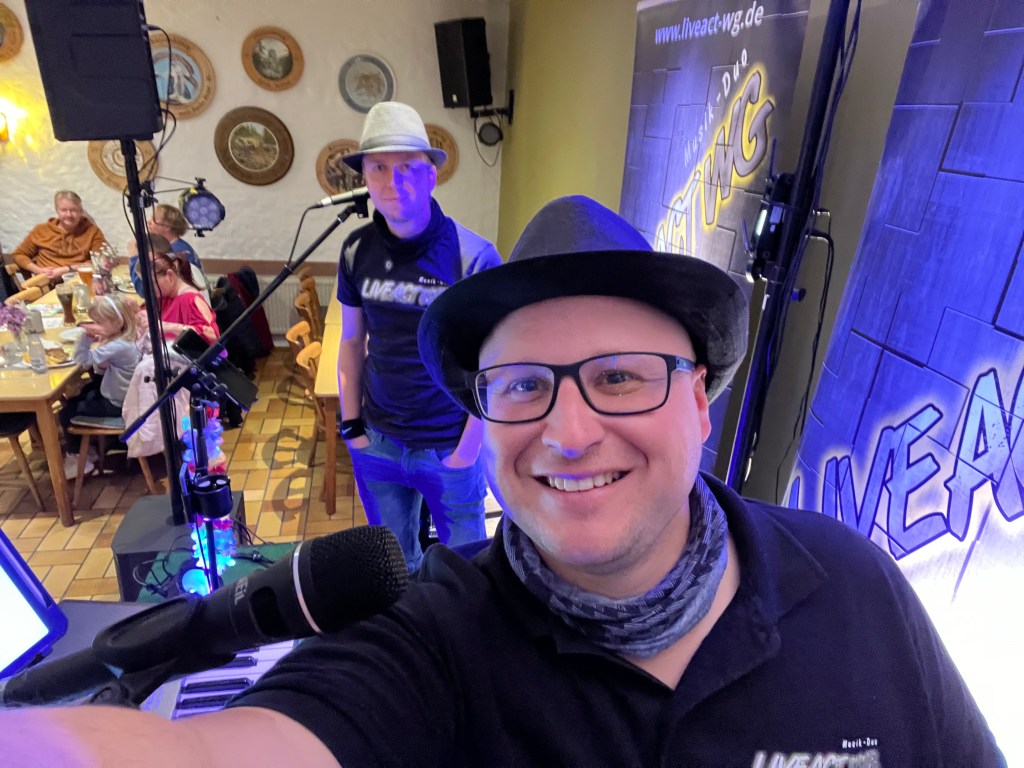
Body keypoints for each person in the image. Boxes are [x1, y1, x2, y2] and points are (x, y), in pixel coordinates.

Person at [0, 197, 1005, 767]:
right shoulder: (428, 637)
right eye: (523, 385)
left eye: (619, 376)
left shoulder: (852, 583)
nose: (568, 432)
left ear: (698, 402)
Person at [334, 101, 501, 571]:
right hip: (378, 441)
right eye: (379, 168)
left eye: (408, 166)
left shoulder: (472, 256)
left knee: (466, 570)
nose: (394, 181)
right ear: (365, 179)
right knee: (394, 568)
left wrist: (468, 449)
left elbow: (493, 362)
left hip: (449, 445)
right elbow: (352, 341)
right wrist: (352, 428)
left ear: (431, 175)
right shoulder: (355, 250)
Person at [58, 293, 141, 479]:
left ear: (118, 322)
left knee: (65, 413)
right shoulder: (127, 337)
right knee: (83, 393)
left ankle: (77, 458)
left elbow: (83, 360)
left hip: (118, 404)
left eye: (99, 322)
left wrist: (86, 338)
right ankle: (89, 450)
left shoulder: (117, 346)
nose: (95, 326)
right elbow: (99, 369)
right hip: (125, 396)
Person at [11, 191, 106, 281]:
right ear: (57, 210)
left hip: (78, 281)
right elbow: (19, 254)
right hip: (46, 285)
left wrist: (66, 270)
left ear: (80, 211)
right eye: (64, 210)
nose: (69, 215)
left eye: (73, 210)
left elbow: (100, 260)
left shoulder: (92, 231)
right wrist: (37, 270)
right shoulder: (41, 230)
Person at [128, 203, 205, 295]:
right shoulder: (180, 246)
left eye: (154, 219)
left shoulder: (175, 253)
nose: (148, 221)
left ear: (168, 226)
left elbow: (146, 291)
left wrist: (134, 257)